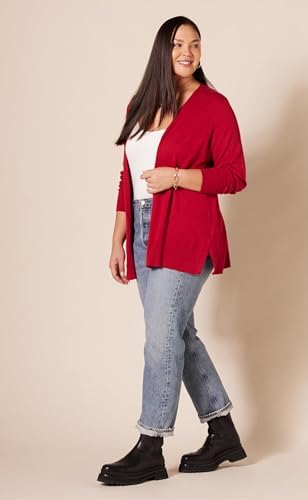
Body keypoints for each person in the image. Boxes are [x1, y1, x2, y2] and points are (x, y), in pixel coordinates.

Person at [97, 16, 247, 486]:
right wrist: (119, 235)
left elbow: (234, 175)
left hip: (187, 229)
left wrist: (178, 177)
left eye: (195, 44)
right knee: (178, 334)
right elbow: (127, 175)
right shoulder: (140, 104)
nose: (187, 51)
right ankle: (222, 431)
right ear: (162, 50)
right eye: (179, 43)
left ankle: (150, 446)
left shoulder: (214, 106)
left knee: (161, 339)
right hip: (144, 229)